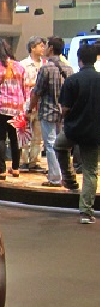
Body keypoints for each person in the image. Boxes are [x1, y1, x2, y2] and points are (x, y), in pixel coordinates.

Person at [53, 43, 100, 223]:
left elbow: (64, 109)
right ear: (95, 59)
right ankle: (86, 213)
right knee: (90, 171)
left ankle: (69, 179)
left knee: (59, 146)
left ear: (79, 59)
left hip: (73, 129)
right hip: (95, 131)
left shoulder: (72, 80)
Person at [28, 38, 74, 188]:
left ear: (51, 48)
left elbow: (37, 92)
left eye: (47, 46)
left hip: (48, 110)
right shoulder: (68, 68)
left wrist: (30, 108)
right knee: (62, 146)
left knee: (50, 144)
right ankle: (64, 174)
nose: (45, 48)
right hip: (64, 112)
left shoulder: (46, 68)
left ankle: (55, 177)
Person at [0, 39, 26, 180]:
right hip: (17, 107)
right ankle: (16, 168)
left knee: (0, 137)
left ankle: (2, 171)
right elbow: (24, 88)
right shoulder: (19, 66)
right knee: (15, 138)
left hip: (0, 106)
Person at [18, 36, 47, 172]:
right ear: (32, 47)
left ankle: (35, 161)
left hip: (41, 104)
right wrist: (34, 84)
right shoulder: (22, 64)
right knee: (24, 133)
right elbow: (19, 83)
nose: (43, 48)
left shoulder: (45, 64)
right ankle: (24, 160)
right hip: (26, 103)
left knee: (38, 135)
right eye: (40, 46)